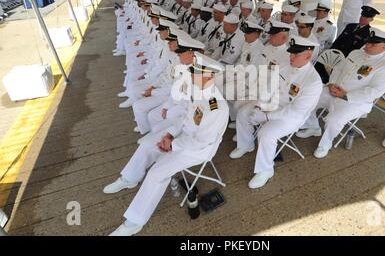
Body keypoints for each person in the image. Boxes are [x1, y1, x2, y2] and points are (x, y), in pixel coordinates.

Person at [105, 53, 229, 236]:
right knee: (148, 144)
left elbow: (201, 141)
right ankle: (129, 179)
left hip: (199, 150)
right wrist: (170, 135)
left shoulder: (215, 106)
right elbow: (185, 120)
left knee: (157, 172)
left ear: (209, 76)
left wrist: (173, 145)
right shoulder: (197, 91)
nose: (190, 74)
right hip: (184, 138)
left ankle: (134, 222)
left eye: (195, 72)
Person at [229, 35, 323, 189]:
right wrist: (259, 106)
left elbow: (295, 111)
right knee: (244, 112)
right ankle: (246, 144)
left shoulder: (313, 81)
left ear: (308, 55)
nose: (291, 56)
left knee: (266, 134)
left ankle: (266, 170)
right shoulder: (286, 65)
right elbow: (269, 87)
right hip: (271, 104)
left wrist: (266, 116)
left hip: (291, 116)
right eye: (291, 52)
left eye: (296, 54)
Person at [298, 28, 385, 159]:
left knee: (334, 119)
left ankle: (325, 143)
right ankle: (313, 126)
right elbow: (339, 68)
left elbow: (374, 92)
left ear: (384, 47)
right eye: (368, 42)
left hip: (355, 102)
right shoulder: (356, 53)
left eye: (373, 44)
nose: (367, 45)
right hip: (335, 90)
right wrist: (332, 83)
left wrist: (345, 95)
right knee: (309, 98)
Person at [315, 5, 379, 83]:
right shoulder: (350, 26)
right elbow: (338, 40)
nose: (362, 18)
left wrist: (340, 56)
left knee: (334, 72)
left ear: (371, 19)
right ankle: (319, 81)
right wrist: (331, 51)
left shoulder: (368, 33)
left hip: (347, 58)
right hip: (336, 53)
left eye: (366, 17)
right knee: (320, 62)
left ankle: (328, 82)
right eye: (362, 15)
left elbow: (358, 49)